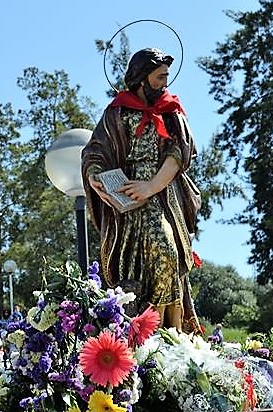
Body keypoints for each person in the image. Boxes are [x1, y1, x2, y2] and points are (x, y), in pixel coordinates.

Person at [82, 47, 201, 333]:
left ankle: (170, 333)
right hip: (126, 197)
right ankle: (142, 331)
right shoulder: (118, 110)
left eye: (166, 77)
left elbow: (179, 153)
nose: (164, 83)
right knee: (134, 268)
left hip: (161, 195)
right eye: (159, 77)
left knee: (168, 253)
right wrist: (96, 175)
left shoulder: (171, 110)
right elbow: (96, 150)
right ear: (141, 78)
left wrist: (151, 186)